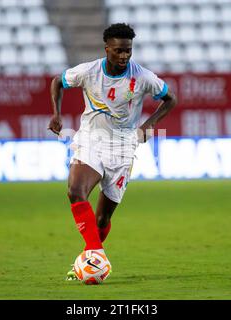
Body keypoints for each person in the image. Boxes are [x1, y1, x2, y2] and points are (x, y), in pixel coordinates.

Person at [47, 23, 177, 280]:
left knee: (102, 219)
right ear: (107, 49)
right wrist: (56, 113)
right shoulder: (88, 71)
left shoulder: (142, 77)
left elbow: (170, 99)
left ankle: (90, 257)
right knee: (75, 191)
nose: (124, 56)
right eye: (118, 51)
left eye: (128, 51)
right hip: (91, 141)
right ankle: (96, 253)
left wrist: (148, 125)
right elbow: (57, 82)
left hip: (122, 148)